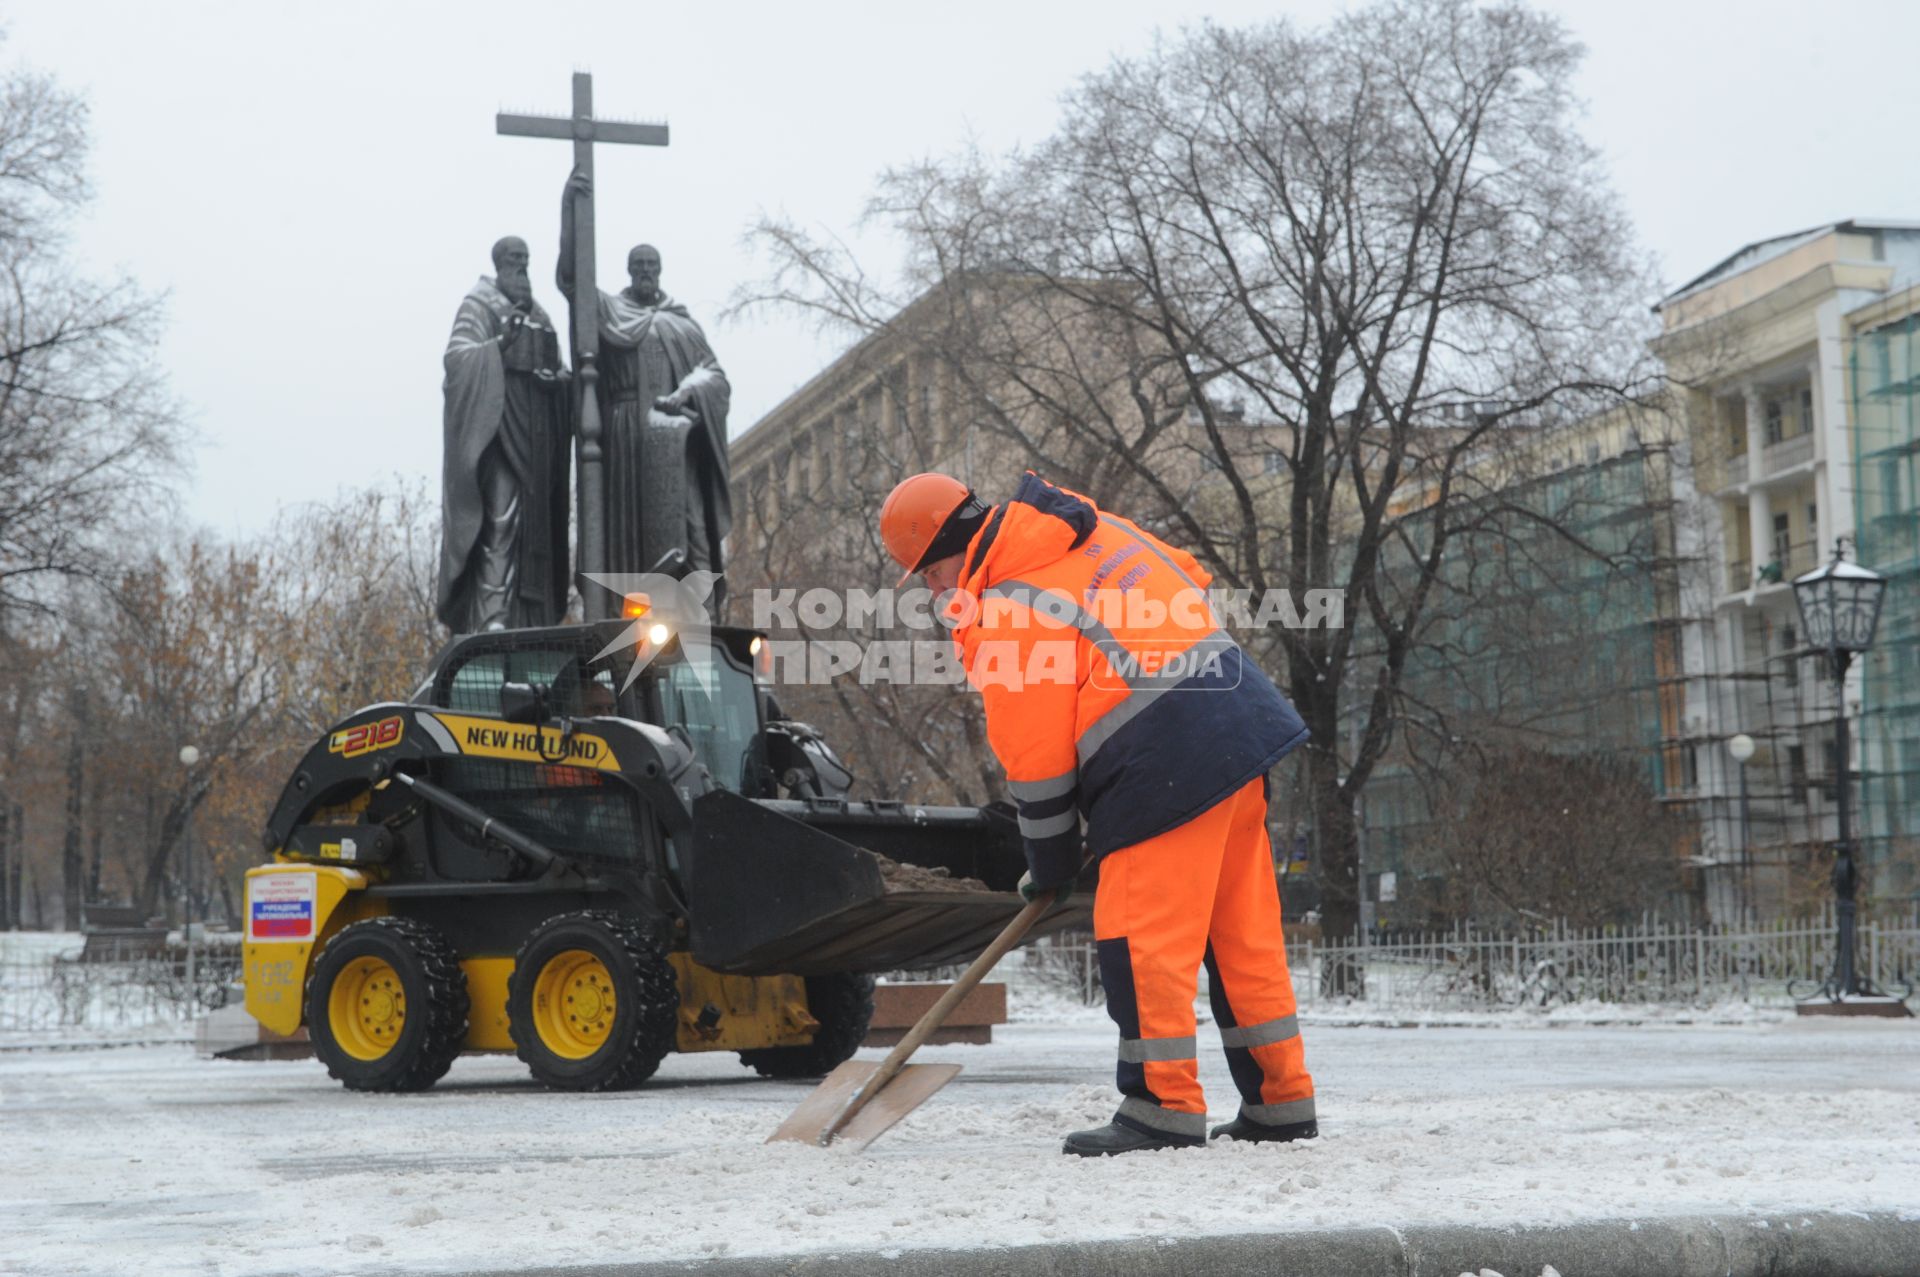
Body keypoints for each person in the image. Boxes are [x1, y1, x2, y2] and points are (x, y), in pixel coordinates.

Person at [880, 470, 1317, 1156]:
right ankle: (1280, 1099)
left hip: (1162, 764)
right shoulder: (1091, 529)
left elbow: (1037, 757)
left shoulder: (1006, 605)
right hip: (1238, 726)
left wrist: (1049, 862)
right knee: (1242, 935)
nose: (936, 592)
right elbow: (1190, 577)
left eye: (932, 572)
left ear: (956, 546)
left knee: (1139, 938)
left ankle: (1163, 1105)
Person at [558, 171, 732, 585]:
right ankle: (628, 608)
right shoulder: (611, 310)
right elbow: (571, 280)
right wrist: (569, 212)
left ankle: (700, 609)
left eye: (651, 265)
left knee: (689, 523)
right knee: (625, 526)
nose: (645, 271)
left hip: (673, 438)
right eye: (638, 265)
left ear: (660, 269)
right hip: (624, 433)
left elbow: (715, 375)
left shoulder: (680, 323)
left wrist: (686, 391)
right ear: (629, 270)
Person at [437, 236, 571, 632]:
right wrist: (499, 346)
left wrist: (558, 381)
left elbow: (558, 369)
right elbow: (458, 359)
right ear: (499, 265)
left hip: (537, 438)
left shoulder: (540, 315)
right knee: (500, 519)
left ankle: (533, 621)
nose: (522, 270)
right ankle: (492, 617)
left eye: (526, 262)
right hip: (499, 435)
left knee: (536, 532)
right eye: (515, 262)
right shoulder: (478, 305)